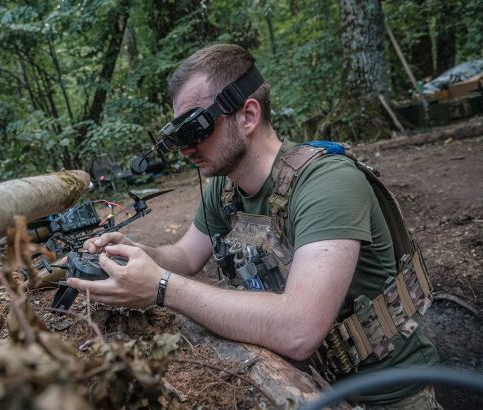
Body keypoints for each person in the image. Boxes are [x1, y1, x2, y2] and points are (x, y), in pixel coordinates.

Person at [67, 44, 440, 408]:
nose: (185, 151)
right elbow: (182, 255)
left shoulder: (327, 183)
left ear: (248, 116)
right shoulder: (224, 187)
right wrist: (133, 253)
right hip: (296, 381)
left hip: (387, 394)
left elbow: (299, 329)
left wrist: (161, 287)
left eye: (196, 129)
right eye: (177, 136)